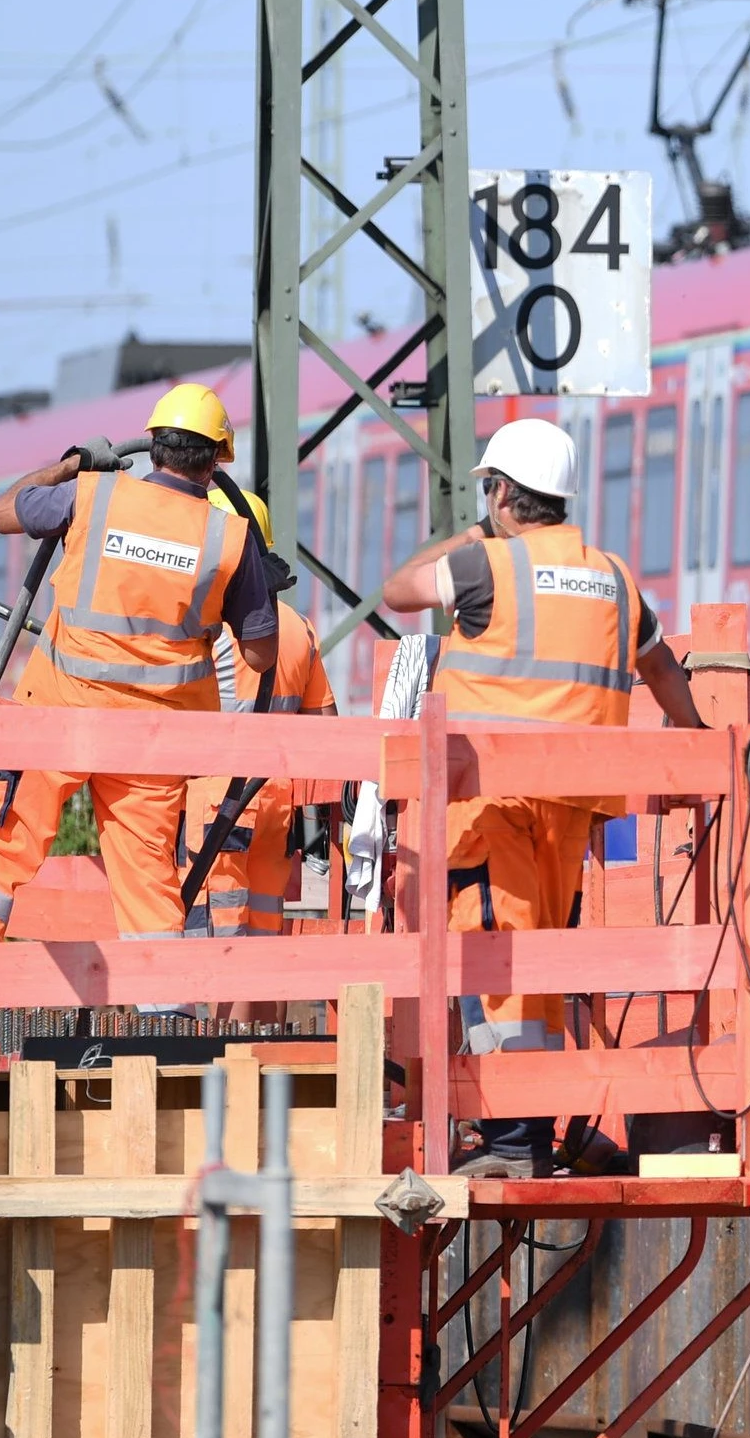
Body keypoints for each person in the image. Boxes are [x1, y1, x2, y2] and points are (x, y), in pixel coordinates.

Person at [375, 417, 705, 1176]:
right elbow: (661, 671)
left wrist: (472, 533)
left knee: (496, 961)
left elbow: (397, 591)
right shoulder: (615, 578)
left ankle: (514, 1143)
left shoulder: (486, 566)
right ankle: (538, 1130)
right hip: (573, 804)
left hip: (490, 802)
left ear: (502, 494)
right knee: (544, 965)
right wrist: (696, 741)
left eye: (489, 489)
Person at [0, 384, 281, 942]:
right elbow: (259, 654)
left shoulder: (94, 495)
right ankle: (163, 1019)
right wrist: (257, 589)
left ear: (151, 444)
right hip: (150, 742)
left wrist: (70, 466)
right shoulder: (229, 536)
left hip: (56, 716)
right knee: (149, 888)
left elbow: (1, 512)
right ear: (216, 461)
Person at [181, 492, 339, 938]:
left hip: (219, 798)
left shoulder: (208, 626)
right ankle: (264, 1013)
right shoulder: (297, 626)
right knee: (264, 928)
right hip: (276, 799)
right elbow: (327, 728)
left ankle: (211, 1013)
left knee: (217, 927)